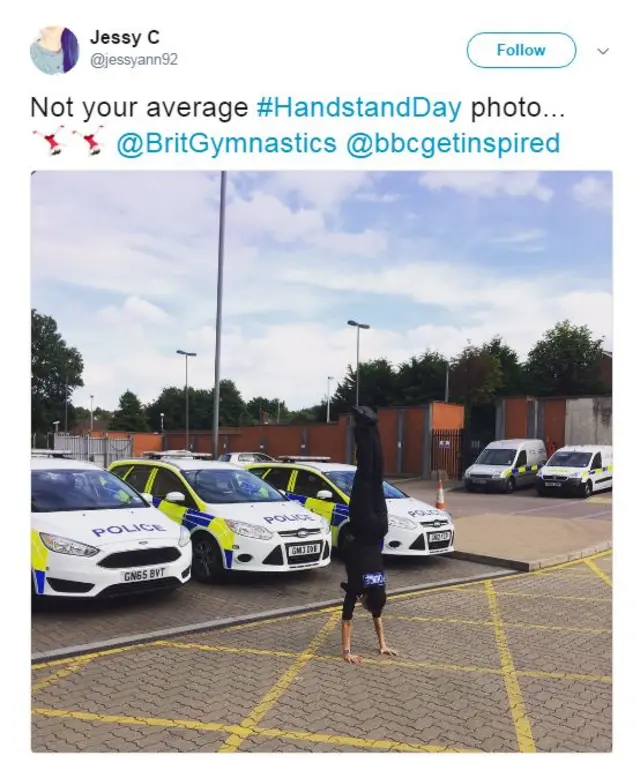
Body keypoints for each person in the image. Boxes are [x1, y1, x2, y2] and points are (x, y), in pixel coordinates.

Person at [340, 405, 397, 664]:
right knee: (365, 475)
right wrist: (347, 653)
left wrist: (383, 644)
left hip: (380, 527)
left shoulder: (379, 589)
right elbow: (347, 620)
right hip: (362, 525)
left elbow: (377, 614)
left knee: (376, 477)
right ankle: (362, 426)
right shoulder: (359, 587)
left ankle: (373, 427)